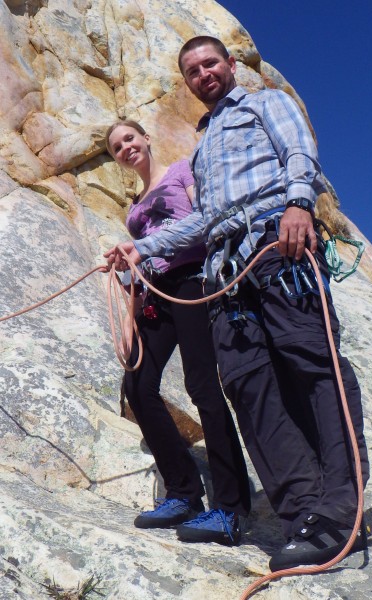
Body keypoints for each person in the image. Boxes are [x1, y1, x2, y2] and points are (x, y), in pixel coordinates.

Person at [105, 37, 370, 570]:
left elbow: (299, 150)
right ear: (188, 83)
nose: (203, 74)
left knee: (312, 367)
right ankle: (302, 513)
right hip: (227, 271)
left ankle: (342, 510)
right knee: (248, 386)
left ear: (229, 65)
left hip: (277, 246)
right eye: (192, 70)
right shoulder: (203, 150)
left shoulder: (266, 103)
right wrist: (142, 247)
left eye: (210, 63)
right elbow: (203, 220)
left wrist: (298, 203)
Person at [105, 120, 250, 544]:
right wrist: (129, 318)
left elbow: (205, 222)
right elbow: (143, 263)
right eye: (117, 147)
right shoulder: (135, 207)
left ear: (147, 138)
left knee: (202, 386)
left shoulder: (182, 172)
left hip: (193, 280)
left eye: (129, 138)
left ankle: (231, 508)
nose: (125, 147)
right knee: (138, 383)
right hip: (156, 291)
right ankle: (184, 492)